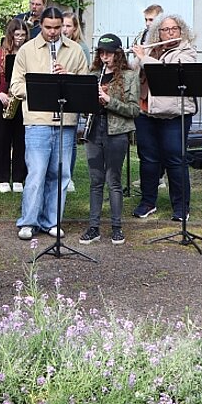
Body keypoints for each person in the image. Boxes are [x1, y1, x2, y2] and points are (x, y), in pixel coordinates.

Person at [9, 5, 89, 240]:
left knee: (60, 174)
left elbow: (85, 85)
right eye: (48, 28)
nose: (53, 32)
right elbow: (15, 85)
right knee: (36, 173)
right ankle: (28, 221)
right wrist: (41, 88)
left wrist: (68, 79)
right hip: (37, 120)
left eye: (57, 28)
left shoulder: (75, 50)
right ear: (41, 25)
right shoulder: (27, 50)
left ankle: (52, 221)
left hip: (65, 121)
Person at [132, 14, 197, 220]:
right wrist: (137, 59)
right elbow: (134, 74)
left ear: (181, 31)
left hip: (174, 115)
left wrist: (144, 58)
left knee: (175, 159)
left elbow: (166, 72)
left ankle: (181, 207)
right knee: (148, 159)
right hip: (146, 112)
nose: (170, 33)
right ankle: (147, 202)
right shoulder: (152, 50)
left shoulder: (187, 51)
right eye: (165, 30)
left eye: (174, 29)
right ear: (158, 33)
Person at [78, 34, 139, 246]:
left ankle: (116, 227)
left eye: (109, 53)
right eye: (102, 53)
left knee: (114, 180)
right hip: (94, 129)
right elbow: (83, 109)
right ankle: (93, 227)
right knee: (96, 180)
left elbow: (134, 110)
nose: (105, 57)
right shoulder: (94, 74)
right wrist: (90, 102)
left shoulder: (129, 76)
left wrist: (109, 101)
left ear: (118, 54)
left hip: (117, 132)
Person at [0, 17, 29, 193]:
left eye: (23, 35)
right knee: (2, 140)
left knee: (21, 140)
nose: (20, 38)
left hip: (22, 101)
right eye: (17, 35)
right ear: (11, 35)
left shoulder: (28, 54)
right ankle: (2, 178)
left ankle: (18, 178)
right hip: (4, 100)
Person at [61, 10, 83, 193]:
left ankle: (68, 176)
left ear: (75, 28)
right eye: (62, 25)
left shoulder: (80, 48)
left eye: (68, 26)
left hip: (73, 98)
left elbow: (84, 76)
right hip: (56, 97)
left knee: (70, 140)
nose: (64, 29)